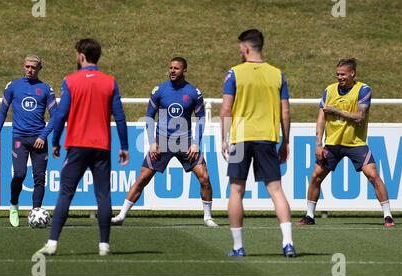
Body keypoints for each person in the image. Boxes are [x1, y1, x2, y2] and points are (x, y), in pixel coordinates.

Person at [36, 38, 129, 256]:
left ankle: (52, 243)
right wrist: (124, 145)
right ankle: (104, 246)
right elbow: (121, 117)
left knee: (66, 194)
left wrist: (56, 141)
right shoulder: (110, 81)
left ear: (81, 55)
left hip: (78, 145)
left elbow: (60, 115)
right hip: (102, 147)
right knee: (103, 195)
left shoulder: (71, 81)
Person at [111, 57, 218, 227]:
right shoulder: (159, 90)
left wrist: (196, 142)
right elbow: (148, 117)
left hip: (186, 142)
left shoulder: (193, 93)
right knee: (142, 179)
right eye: (170, 68)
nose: (172, 71)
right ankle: (121, 215)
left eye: (176, 68)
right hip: (163, 142)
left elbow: (201, 118)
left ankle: (208, 217)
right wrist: (153, 142)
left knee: (204, 177)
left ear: (184, 70)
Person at [221, 29, 296, 257]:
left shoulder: (234, 73)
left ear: (245, 48)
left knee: (236, 190)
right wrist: (285, 141)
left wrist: (223, 138)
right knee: (276, 190)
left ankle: (238, 247)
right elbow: (285, 111)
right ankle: (288, 243)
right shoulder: (277, 74)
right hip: (267, 136)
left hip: (241, 136)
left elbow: (226, 108)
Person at [296, 58, 395, 227]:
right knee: (315, 176)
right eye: (337, 74)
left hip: (355, 143)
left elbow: (360, 117)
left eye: (343, 74)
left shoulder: (363, 90)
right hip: (333, 144)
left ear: (352, 73)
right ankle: (309, 216)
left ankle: (388, 216)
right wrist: (318, 144)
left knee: (373, 175)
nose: (339, 77)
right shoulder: (329, 90)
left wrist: (335, 110)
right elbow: (321, 118)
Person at [0, 54, 57, 227]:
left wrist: (43, 136)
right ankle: (13, 205)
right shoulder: (13, 86)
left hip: (39, 140)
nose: (30, 70)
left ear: (39, 69)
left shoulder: (46, 89)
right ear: (23, 66)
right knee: (19, 174)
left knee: (40, 178)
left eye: (33, 67)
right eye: (27, 66)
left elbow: (56, 117)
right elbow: (1, 113)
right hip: (19, 138)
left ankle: (36, 212)